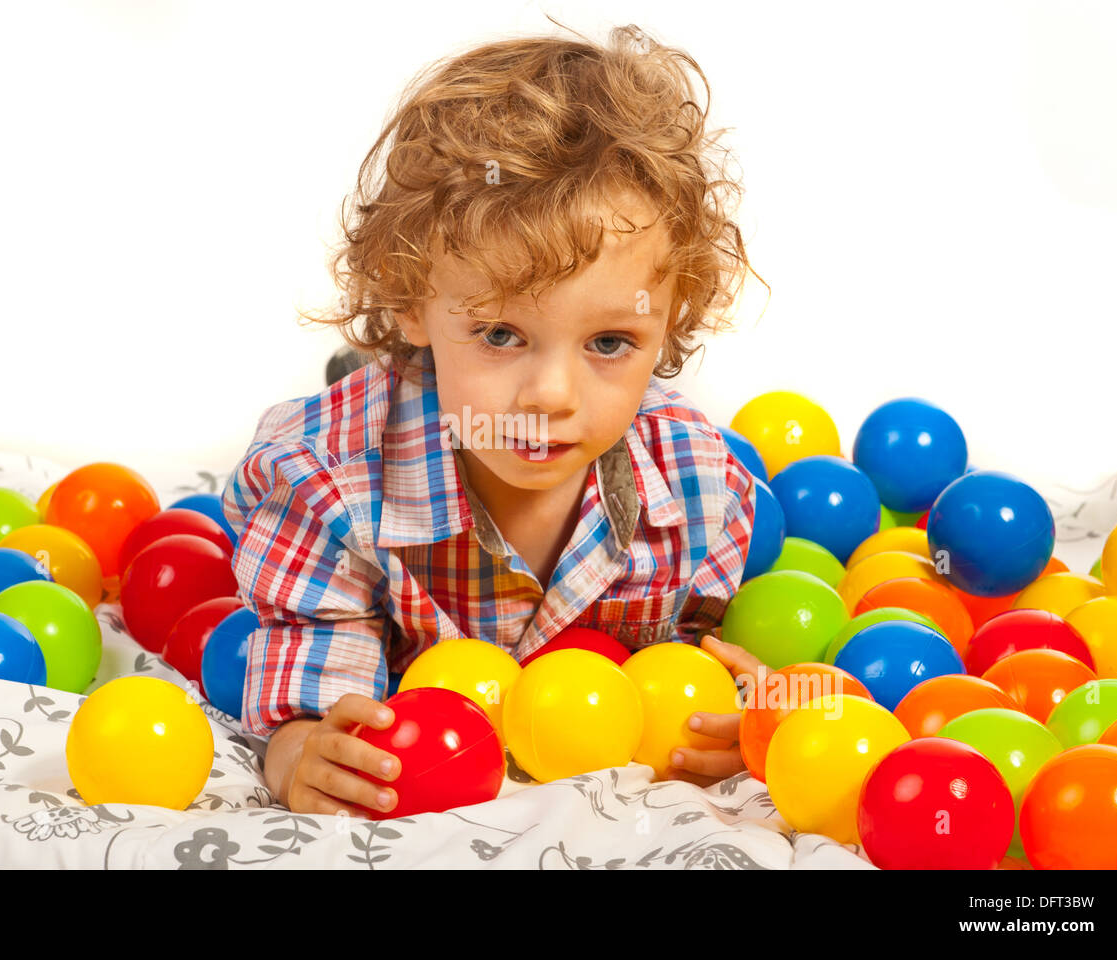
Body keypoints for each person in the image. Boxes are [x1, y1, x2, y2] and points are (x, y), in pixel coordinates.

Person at [223, 23, 769, 817]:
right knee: (373, 406)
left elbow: (671, 665)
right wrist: (301, 748)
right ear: (408, 297)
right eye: (502, 334)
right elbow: (316, 703)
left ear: (670, 318)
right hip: (383, 437)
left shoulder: (702, 487)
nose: (551, 394)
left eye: (610, 341)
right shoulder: (323, 491)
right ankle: (383, 374)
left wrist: (718, 716)